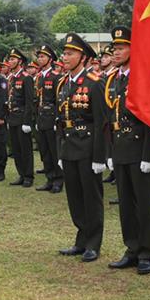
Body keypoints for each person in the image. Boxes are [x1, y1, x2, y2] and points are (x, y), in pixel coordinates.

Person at [104, 26, 150, 275]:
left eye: (121, 47)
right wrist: (109, 151)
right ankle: (132, 248)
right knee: (126, 203)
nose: (116, 52)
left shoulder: (143, 77)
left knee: (143, 204)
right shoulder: (115, 78)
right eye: (114, 48)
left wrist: (149, 154)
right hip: (121, 147)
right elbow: (109, 116)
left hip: (139, 148)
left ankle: (147, 252)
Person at [56, 33, 107, 263]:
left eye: (70, 54)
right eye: (64, 53)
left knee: (91, 197)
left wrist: (100, 156)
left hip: (87, 147)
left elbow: (100, 122)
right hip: (69, 146)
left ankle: (93, 243)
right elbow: (60, 120)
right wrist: (60, 151)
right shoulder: (63, 83)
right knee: (74, 197)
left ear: (83, 57)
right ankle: (81, 238)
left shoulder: (94, 83)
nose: (65, 57)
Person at [33, 44, 64, 193]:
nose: (39, 59)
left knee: (54, 150)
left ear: (50, 59)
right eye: (38, 56)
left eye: (42, 57)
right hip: (41, 117)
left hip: (52, 118)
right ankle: (49, 178)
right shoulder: (39, 77)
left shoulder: (56, 77)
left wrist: (57, 119)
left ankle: (58, 180)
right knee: (44, 151)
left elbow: (59, 100)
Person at [5, 48, 36, 187]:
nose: (10, 62)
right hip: (12, 117)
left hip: (22, 117)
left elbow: (30, 101)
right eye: (9, 59)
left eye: (13, 59)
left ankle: (28, 175)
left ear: (20, 61)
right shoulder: (11, 78)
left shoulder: (26, 77)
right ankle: (21, 174)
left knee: (25, 149)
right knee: (16, 149)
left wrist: (27, 121)